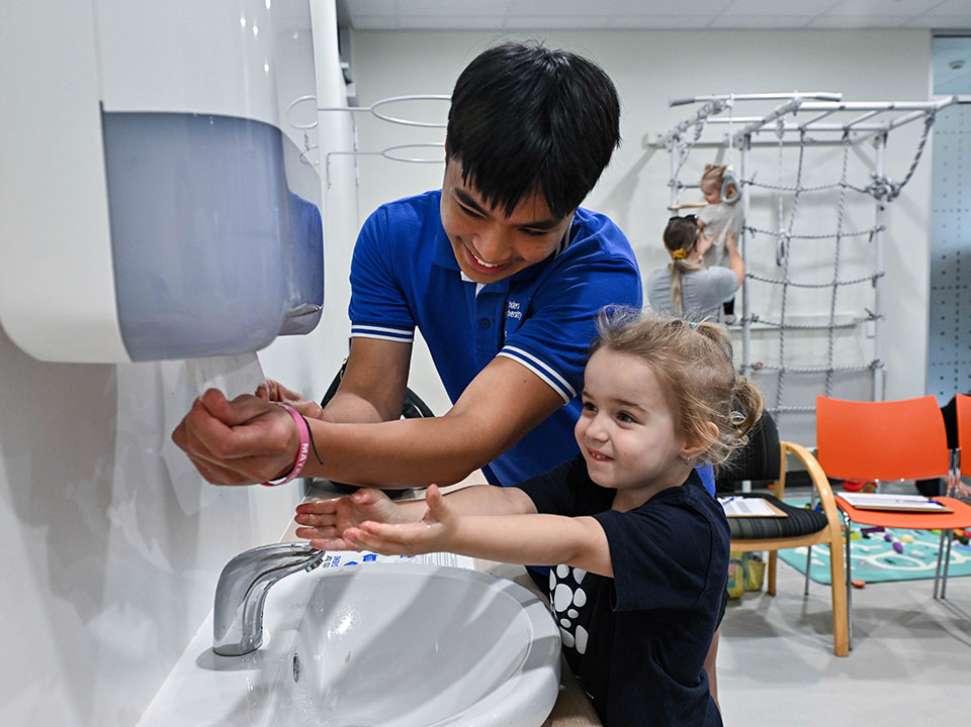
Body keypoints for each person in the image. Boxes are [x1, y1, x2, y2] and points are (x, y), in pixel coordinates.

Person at [172, 41, 717, 494]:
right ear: (447, 154)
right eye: (469, 208)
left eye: (532, 230)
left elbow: (469, 437)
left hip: (643, 521)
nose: (490, 249)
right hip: (524, 513)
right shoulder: (392, 239)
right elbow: (369, 398)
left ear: (575, 206)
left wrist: (301, 447)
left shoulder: (596, 274)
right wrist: (317, 426)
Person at [294, 310, 764, 727]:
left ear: (692, 440)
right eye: (591, 406)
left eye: (625, 417)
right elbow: (513, 501)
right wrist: (403, 516)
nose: (595, 429)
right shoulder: (599, 479)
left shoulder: (687, 531)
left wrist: (449, 535)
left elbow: (572, 540)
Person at [647, 215, 744, 323]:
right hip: (707, 340)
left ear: (667, 246)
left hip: (668, 340)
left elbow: (683, 266)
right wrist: (732, 247)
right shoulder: (712, 279)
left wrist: (697, 251)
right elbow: (738, 274)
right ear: (697, 244)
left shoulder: (653, 280)